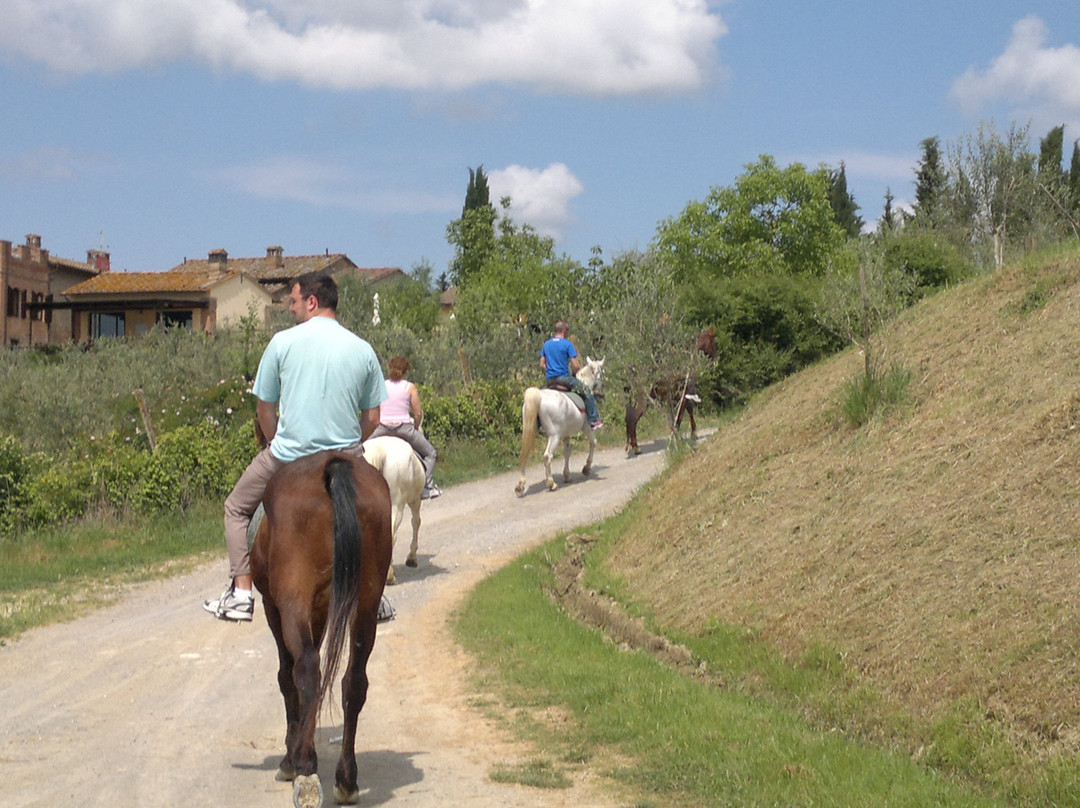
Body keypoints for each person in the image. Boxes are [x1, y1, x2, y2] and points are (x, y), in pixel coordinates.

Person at [203, 271, 386, 622]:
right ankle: (375, 596)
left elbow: (264, 409)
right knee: (377, 511)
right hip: (347, 455)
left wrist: (277, 443)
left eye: (293, 301)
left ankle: (241, 592)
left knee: (237, 509)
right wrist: (350, 445)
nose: (290, 309)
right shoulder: (363, 349)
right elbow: (374, 417)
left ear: (311, 302)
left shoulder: (281, 343)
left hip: (289, 455)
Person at [369, 355, 441, 499]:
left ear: (390, 368)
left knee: (360, 450)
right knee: (430, 453)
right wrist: (416, 426)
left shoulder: (381, 386)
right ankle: (426, 488)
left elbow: (374, 408)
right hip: (403, 428)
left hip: (382, 428)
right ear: (405, 371)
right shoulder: (409, 387)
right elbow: (418, 413)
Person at [539, 320, 603, 429]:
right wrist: (574, 373)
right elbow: (576, 366)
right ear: (564, 330)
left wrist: (550, 370)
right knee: (587, 392)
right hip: (564, 378)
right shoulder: (567, 344)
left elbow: (542, 365)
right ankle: (594, 420)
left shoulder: (546, 344)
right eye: (567, 330)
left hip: (550, 380)